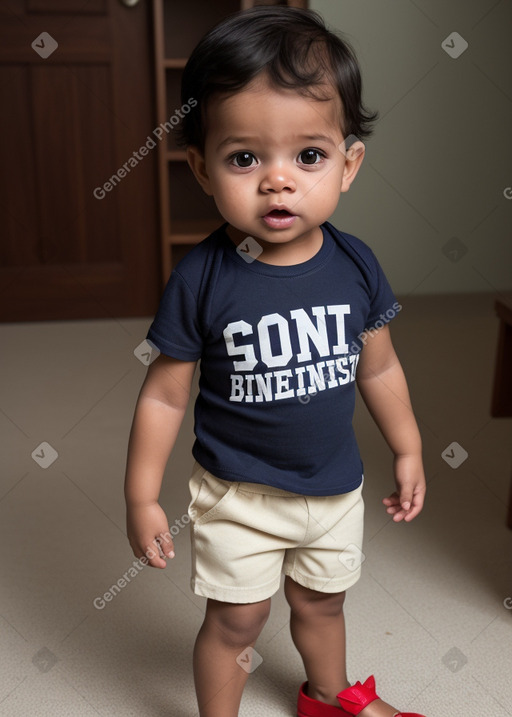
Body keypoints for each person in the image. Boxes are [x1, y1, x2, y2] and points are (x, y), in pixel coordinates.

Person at [124, 7, 427, 717]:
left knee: (323, 602)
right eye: (244, 158)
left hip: (332, 489)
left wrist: (408, 445)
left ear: (348, 164)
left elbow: (378, 367)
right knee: (237, 621)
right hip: (240, 497)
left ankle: (329, 694)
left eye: (308, 156)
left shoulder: (355, 266)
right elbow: (165, 396)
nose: (277, 181)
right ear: (201, 166)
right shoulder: (203, 278)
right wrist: (142, 494)